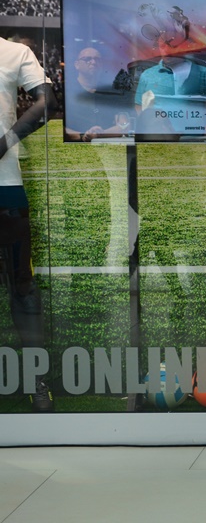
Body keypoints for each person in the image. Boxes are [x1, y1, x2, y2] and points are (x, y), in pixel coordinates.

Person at [0, 36, 58, 411]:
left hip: (5, 188)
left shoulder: (13, 52)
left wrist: (5, 142)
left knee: (23, 285)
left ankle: (37, 379)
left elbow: (47, 102)